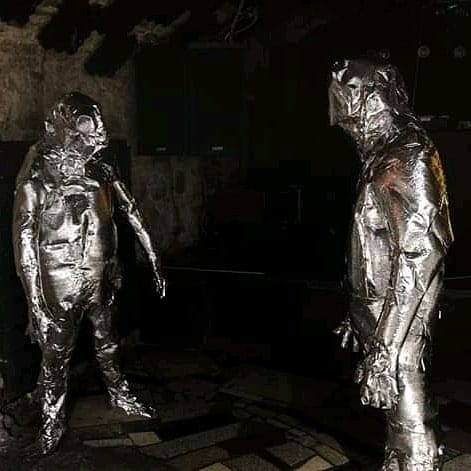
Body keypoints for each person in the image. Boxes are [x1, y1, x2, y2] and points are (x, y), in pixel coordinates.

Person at [12, 92, 166, 454]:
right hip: (59, 280)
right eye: (81, 137)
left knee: (107, 341)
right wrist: (35, 303)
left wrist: (153, 256)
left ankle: (119, 394)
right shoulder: (35, 182)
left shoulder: (101, 171)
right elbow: (23, 244)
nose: (89, 146)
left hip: (100, 274)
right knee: (56, 355)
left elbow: (130, 210)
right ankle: (51, 422)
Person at [330, 59, 453, 470]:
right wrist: (358, 310)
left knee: (410, 421)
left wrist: (385, 349)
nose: (348, 127)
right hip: (381, 315)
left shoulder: (407, 155)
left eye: (350, 116)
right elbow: (375, 238)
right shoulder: (383, 154)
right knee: (396, 418)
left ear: (372, 103)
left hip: (399, 322)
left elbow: (421, 254)